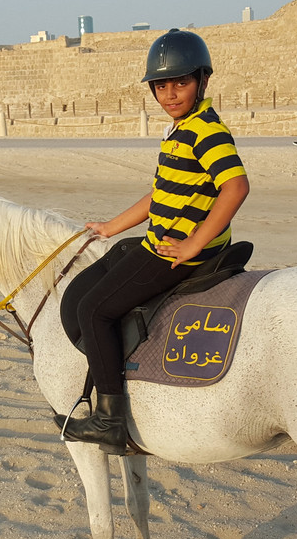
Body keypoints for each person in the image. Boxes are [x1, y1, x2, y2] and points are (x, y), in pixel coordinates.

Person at [57, 29, 250, 453]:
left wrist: (193, 245)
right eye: (161, 86)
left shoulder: (205, 131)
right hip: (161, 238)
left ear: (202, 80)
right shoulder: (180, 130)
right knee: (110, 264)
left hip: (176, 249)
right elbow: (159, 196)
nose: (170, 93)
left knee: (93, 309)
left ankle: (109, 420)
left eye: (180, 83)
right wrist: (112, 227)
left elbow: (235, 187)